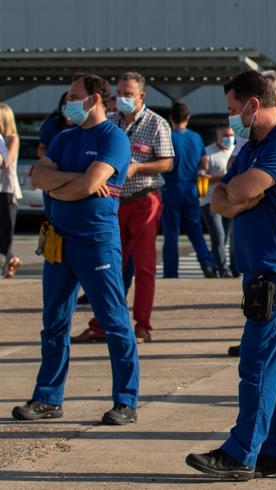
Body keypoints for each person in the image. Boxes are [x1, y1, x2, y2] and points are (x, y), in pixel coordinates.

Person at [186, 70, 276, 480]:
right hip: (262, 271)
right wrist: (238, 194)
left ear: (253, 105)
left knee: (257, 365)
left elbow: (235, 194)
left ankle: (241, 453)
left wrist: (239, 195)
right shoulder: (252, 146)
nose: (230, 120)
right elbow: (219, 197)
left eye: (232, 109)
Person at [15, 74, 139, 425]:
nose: (67, 102)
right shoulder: (64, 137)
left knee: (113, 321)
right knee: (53, 321)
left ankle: (126, 401)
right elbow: (38, 177)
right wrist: (74, 183)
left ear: (94, 100)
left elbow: (88, 184)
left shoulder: (113, 139)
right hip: (58, 241)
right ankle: (48, 398)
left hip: (96, 242)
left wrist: (71, 183)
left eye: (73, 96)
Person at [74, 72, 173, 345]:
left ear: (142, 96)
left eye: (128, 94)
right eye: (119, 94)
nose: (122, 99)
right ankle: (102, 323)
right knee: (108, 265)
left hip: (145, 200)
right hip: (115, 202)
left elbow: (167, 163)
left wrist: (138, 167)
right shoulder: (111, 122)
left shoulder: (157, 124)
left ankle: (142, 325)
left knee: (144, 267)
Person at [160, 102, 215, 279]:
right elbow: (204, 162)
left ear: (171, 118)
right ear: (188, 118)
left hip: (170, 186)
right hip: (191, 186)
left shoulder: (168, 136)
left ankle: (171, 272)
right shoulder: (196, 138)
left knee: (171, 233)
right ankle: (207, 263)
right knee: (195, 230)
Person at [201, 127, 236, 277]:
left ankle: (233, 268)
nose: (229, 138)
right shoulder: (208, 153)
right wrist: (223, 178)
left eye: (231, 135)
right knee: (219, 236)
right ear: (218, 137)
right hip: (210, 201)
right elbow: (202, 179)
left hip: (232, 201)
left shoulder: (236, 151)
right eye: (225, 135)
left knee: (230, 237)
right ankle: (223, 269)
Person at [0, 103, 20, 278]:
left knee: (6, 229)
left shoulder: (12, 139)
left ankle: (9, 260)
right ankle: (11, 260)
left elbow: (4, 161)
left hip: (6, 189)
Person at [36, 93, 70, 159]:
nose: (68, 105)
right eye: (65, 103)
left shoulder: (84, 126)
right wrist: (51, 159)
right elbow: (40, 150)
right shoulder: (52, 124)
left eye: (71, 102)